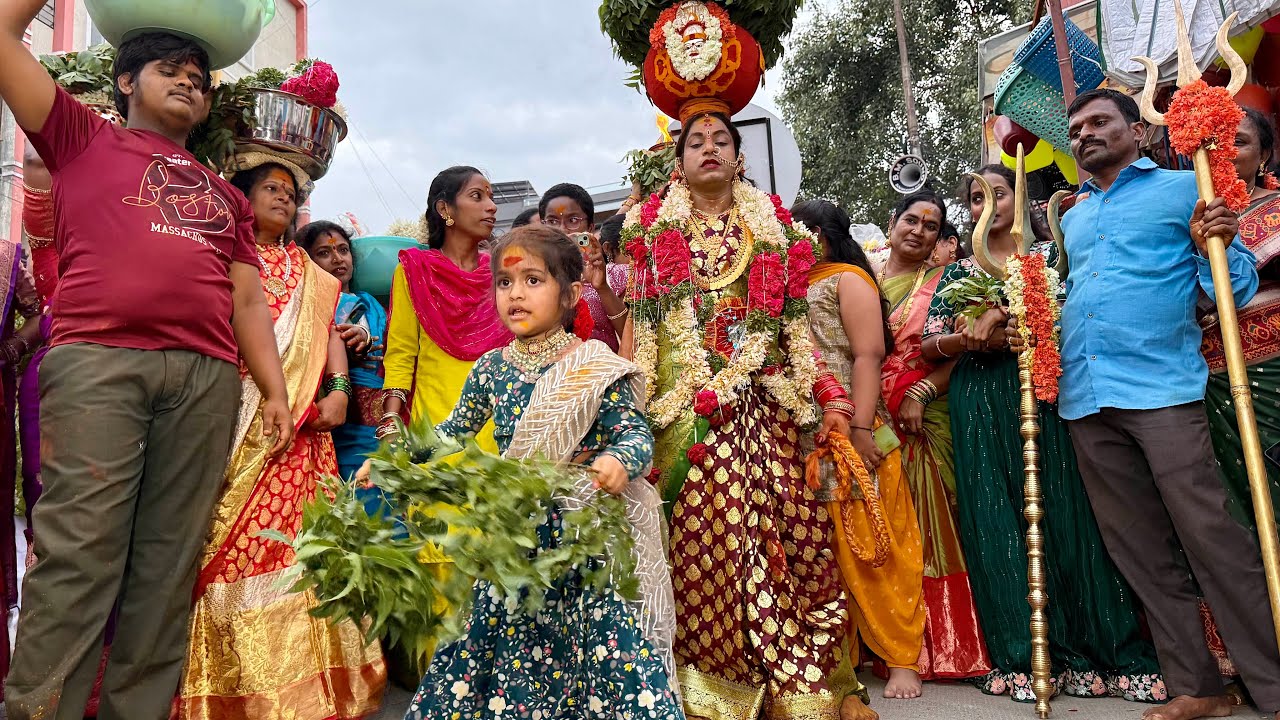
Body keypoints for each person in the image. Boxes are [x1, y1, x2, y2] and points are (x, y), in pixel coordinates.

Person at [0, 14, 293, 718]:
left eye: (198, 80)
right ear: (125, 81)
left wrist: (275, 392)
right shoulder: (80, 137)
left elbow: (248, 298)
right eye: (170, 72)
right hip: (100, 363)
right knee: (79, 556)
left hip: (206, 379)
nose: (188, 85)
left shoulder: (225, 194)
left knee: (167, 569)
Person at [622, 110, 859, 720]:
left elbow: (793, 332)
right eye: (695, 142)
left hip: (766, 407)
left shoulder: (775, 231)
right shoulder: (647, 233)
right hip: (684, 415)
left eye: (720, 140)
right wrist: (631, 408)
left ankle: (807, 681)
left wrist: (830, 398)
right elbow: (639, 331)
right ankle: (713, 688)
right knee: (705, 546)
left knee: (797, 537)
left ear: (739, 156)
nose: (708, 149)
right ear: (678, 162)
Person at [1058, 87, 1280, 720]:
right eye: (1078, 129)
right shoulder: (1072, 216)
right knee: (1140, 551)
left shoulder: (1186, 189)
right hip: (1084, 396)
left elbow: (1232, 288)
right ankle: (1198, 687)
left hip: (1162, 388)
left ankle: (1271, 684)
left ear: (1141, 133)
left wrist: (1223, 237)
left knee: (1213, 539)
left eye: (1100, 122)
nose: (1086, 135)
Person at [403, 225, 682, 719]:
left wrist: (619, 460)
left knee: (602, 658)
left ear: (570, 294)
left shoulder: (595, 364)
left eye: (532, 280)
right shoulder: (490, 368)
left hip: (585, 537)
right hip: (515, 540)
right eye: (505, 283)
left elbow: (635, 434)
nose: (515, 294)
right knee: (504, 652)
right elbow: (450, 433)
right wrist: (394, 462)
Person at [923, 163, 1163, 704]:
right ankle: (1020, 653)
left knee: (1071, 511)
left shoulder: (1053, 258)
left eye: (999, 192)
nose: (990, 204)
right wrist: (969, 338)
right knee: (997, 516)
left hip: (1053, 392)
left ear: (1020, 196)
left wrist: (1019, 312)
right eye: (976, 197)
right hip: (983, 398)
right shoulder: (959, 274)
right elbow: (926, 348)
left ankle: (1103, 649)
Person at [177, 160, 386, 718]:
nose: (285, 201)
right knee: (234, 554)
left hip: (306, 436)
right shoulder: (217, 257)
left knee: (311, 556)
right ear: (240, 199)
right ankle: (239, 692)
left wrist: (339, 391)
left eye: (292, 194)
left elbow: (328, 332)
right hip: (235, 425)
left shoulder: (315, 276)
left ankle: (323, 694)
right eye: (271, 189)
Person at [848, 192, 993, 684]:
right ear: (891, 223)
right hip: (859, 415)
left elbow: (965, 346)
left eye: (931, 226)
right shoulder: (859, 277)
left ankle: (938, 645)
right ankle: (876, 640)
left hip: (921, 418)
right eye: (910, 219)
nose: (918, 230)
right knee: (867, 525)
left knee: (928, 527)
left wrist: (925, 390)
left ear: (939, 239)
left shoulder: (948, 281)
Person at [795, 198, 928, 701]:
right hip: (806, 437)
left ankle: (901, 660)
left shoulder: (847, 279)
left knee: (873, 544)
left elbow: (869, 357)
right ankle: (842, 660)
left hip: (855, 434)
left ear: (822, 235)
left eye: (797, 232)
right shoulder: (785, 288)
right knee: (824, 551)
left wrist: (861, 428)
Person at [1202, 107, 1280, 538]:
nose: (1224, 152)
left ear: (1265, 155)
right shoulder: (1183, 213)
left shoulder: (1276, 207)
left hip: (1271, 378)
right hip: (1210, 384)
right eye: (1213, 142)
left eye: (1239, 141)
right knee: (1238, 500)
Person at [299, 220, 387, 482]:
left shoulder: (370, 304)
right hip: (338, 422)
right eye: (324, 253)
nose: (337, 258)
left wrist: (367, 339)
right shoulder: (309, 308)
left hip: (381, 422)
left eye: (343, 250)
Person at [540, 183, 627, 350]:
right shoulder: (531, 278)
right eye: (552, 221)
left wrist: (602, 288)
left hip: (605, 372)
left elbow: (633, 338)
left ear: (590, 227)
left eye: (573, 220)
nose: (562, 229)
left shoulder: (616, 275)